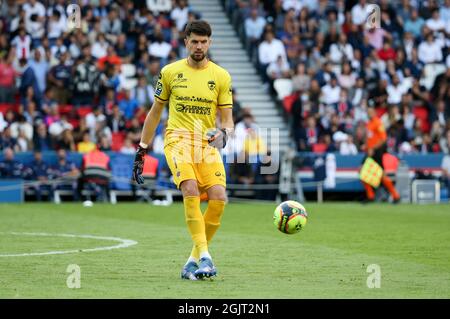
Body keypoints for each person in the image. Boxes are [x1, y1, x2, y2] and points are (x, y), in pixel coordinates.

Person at [132, 20, 234, 280]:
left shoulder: (221, 76)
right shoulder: (169, 72)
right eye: (194, 41)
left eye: (203, 42)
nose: (199, 46)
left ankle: (192, 260)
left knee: (219, 197)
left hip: (206, 143)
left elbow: (228, 120)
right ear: (186, 41)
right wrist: (142, 149)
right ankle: (206, 257)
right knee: (189, 188)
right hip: (177, 140)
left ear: (209, 43)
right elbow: (155, 113)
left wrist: (224, 134)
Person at [361, 106, 400, 203]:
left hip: (377, 152)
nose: (369, 114)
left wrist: (372, 148)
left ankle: (395, 195)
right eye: (368, 112)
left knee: (379, 175)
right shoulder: (369, 123)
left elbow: (383, 139)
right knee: (364, 173)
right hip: (370, 152)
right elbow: (370, 138)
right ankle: (371, 196)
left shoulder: (378, 123)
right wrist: (366, 146)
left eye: (371, 112)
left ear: (374, 112)